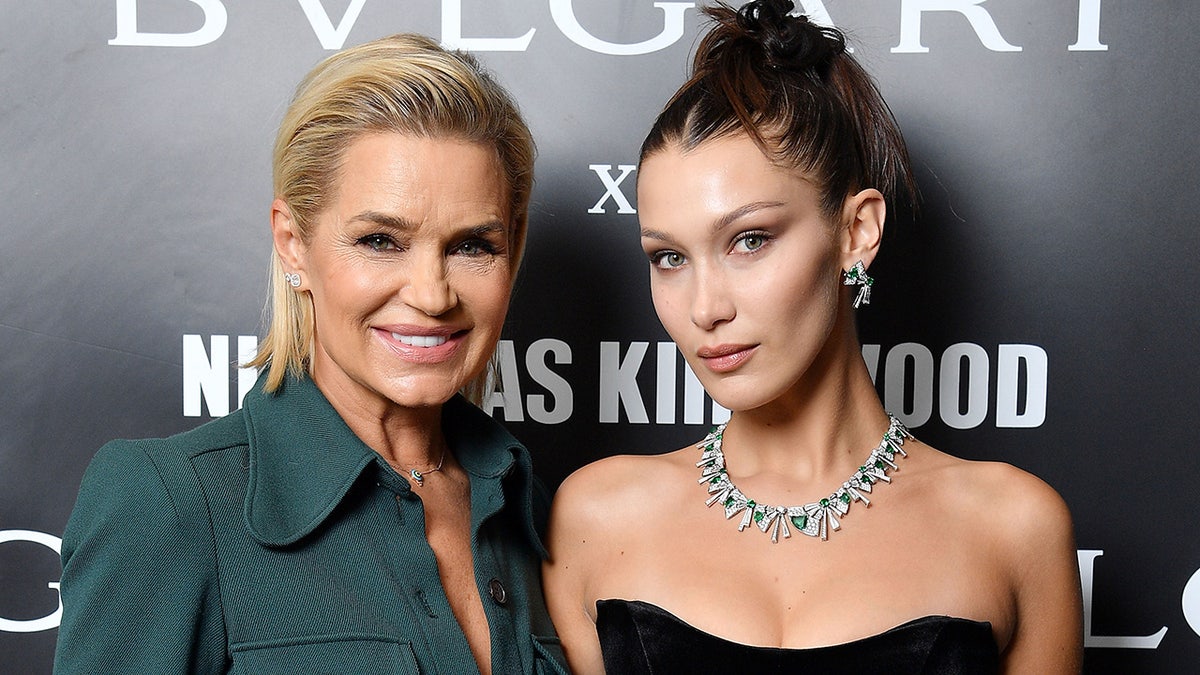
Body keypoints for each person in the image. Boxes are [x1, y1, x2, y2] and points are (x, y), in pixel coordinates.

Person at [543, 2, 1083, 673]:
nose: (705, 307)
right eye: (669, 257)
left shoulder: (1013, 526)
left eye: (750, 240)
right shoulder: (597, 516)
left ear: (856, 232)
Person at [55, 34, 567, 674]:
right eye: (381, 240)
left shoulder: (532, 508)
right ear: (293, 243)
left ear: (512, 250)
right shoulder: (172, 504)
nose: (433, 295)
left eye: (472, 246)